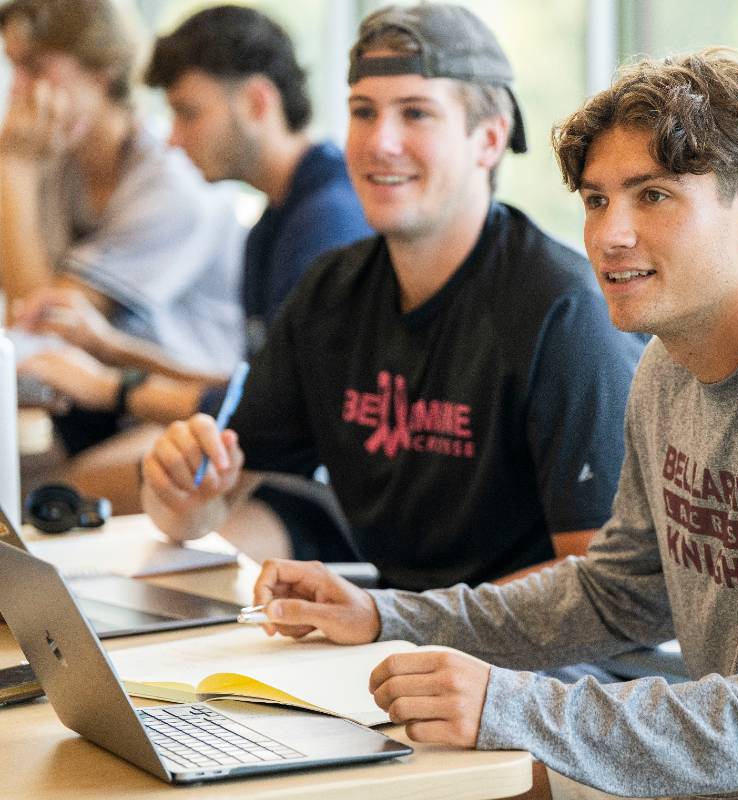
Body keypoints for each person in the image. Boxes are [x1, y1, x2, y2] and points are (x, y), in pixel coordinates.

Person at [241, 48, 738, 800]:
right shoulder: (666, 363)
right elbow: (617, 595)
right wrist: (387, 616)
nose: (609, 234)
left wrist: (511, 707)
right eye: (595, 199)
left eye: (653, 195)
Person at [140, 4, 643, 587]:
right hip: (408, 644)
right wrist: (175, 491)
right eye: (363, 112)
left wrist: (392, 622)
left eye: (416, 113)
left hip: (548, 667)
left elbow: (600, 589)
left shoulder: (566, 312)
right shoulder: (330, 294)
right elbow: (211, 506)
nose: (381, 142)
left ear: (488, 140)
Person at [16, 5, 372, 525]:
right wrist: (111, 349)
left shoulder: (326, 225)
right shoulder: (273, 223)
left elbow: (284, 415)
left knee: (58, 499)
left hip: (309, 493)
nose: (175, 139)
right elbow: (261, 385)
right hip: (263, 464)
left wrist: (115, 387)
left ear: (256, 102)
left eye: (189, 112)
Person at [0, 0, 244, 507]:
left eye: (36, 67)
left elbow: (38, 319)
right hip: (94, 411)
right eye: (13, 67)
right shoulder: (61, 166)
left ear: (102, 70)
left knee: (41, 500)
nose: (18, 89)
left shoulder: (168, 186)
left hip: (185, 412)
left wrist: (14, 173)